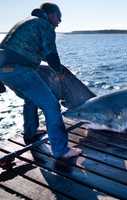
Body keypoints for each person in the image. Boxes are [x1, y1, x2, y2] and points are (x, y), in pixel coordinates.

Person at [0, 3, 82, 160]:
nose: (59, 22)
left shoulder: (27, 22)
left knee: (30, 100)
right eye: (59, 17)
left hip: (3, 70)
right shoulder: (45, 26)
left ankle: (30, 132)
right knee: (51, 105)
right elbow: (51, 55)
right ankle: (61, 150)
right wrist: (60, 73)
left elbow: (23, 49)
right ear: (51, 14)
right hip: (19, 69)